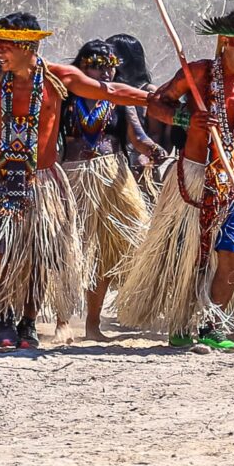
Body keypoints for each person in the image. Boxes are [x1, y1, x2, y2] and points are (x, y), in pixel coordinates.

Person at [0, 0, 149, 351]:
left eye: (5, 44)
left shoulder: (57, 78)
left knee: (36, 255)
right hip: (0, 177)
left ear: (28, 46)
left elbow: (108, 90)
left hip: (42, 180)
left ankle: (28, 322)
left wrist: (152, 99)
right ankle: (3, 313)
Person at [115, 9, 234, 353]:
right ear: (224, 43)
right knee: (190, 255)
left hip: (231, 179)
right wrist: (187, 117)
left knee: (231, 254)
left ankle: (214, 326)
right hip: (193, 176)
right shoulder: (196, 73)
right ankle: (182, 324)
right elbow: (156, 105)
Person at [58, 39, 162, 341]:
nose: (104, 73)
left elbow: (137, 137)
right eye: (97, 67)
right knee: (68, 249)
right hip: (74, 177)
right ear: (82, 67)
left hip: (112, 180)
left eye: (110, 68)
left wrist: (152, 150)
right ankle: (63, 320)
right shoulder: (66, 96)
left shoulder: (119, 99)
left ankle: (92, 324)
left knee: (103, 252)